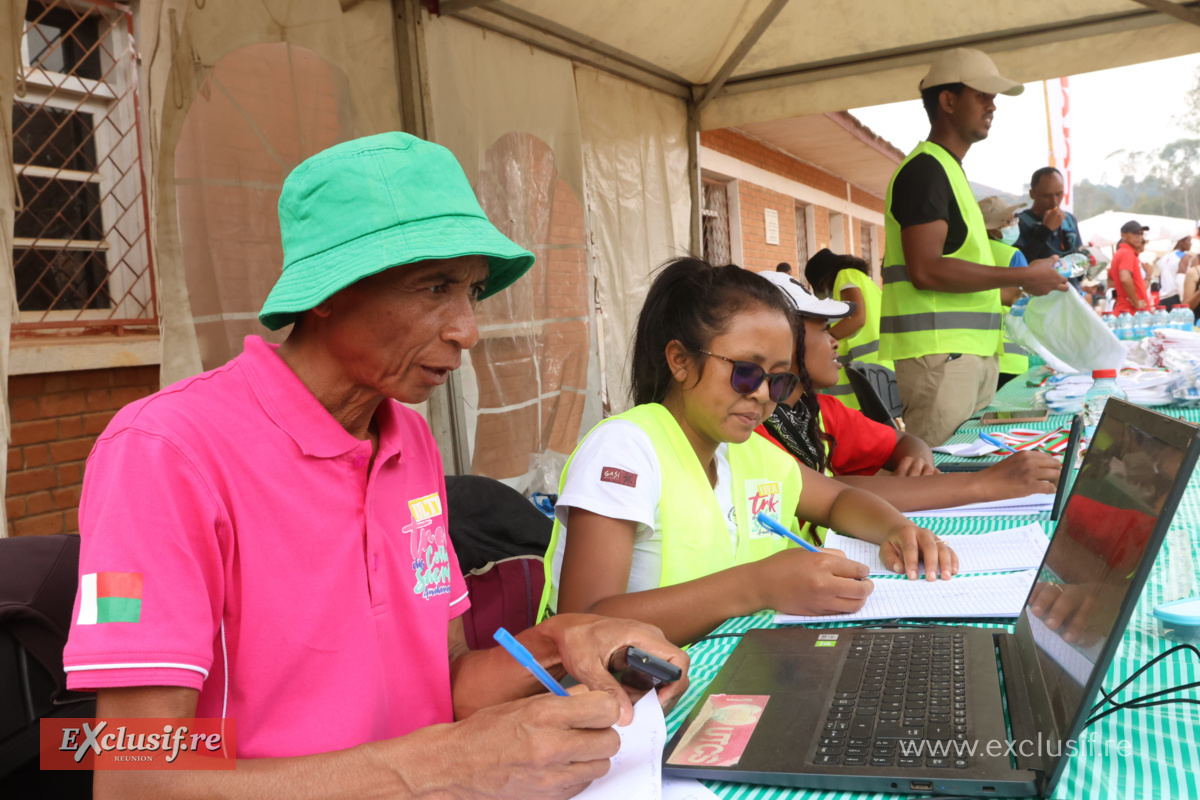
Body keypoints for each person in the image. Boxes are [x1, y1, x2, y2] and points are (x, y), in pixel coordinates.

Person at [65, 133, 690, 800]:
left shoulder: (408, 442)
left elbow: (443, 682)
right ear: (326, 292)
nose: (466, 329)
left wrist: (564, 641)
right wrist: (439, 769)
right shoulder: (161, 452)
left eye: (472, 290)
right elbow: (129, 770)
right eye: (435, 286)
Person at [539, 259, 959, 647]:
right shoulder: (625, 449)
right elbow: (584, 624)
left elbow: (837, 499)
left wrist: (896, 530)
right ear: (680, 361)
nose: (761, 395)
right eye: (745, 372)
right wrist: (758, 586)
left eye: (778, 381)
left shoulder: (743, 452)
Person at [754, 271, 1059, 519]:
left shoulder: (819, 408)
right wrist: (983, 483)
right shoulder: (751, 426)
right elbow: (825, 492)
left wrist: (918, 461)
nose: (835, 340)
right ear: (783, 340)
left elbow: (901, 441)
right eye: (823, 329)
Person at [880, 48, 1068, 447]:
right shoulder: (925, 171)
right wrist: (1023, 275)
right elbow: (926, 269)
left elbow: (960, 275)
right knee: (938, 479)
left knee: (962, 472)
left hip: (965, 358)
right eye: (981, 94)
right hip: (941, 359)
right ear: (947, 101)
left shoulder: (948, 170)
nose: (992, 104)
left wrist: (1028, 281)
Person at [804, 248, 893, 410]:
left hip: (864, 370)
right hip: (882, 367)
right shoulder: (867, 282)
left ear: (824, 279)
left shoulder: (845, 275)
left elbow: (857, 318)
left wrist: (823, 338)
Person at [979, 195, 1031, 385]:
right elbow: (1026, 302)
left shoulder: (965, 256)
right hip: (1011, 355)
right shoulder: (1012, 256)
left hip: (976, 352)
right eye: (1007, 221)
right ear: (992, 229)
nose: (1014, 224)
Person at [1015, 167, 1084, 263]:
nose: (1054, 202)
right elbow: (1018, 265)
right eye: (1047, 196)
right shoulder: (1018, 223)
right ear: (1032, 194)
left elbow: (1079, 265)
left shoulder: (1069, 220)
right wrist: (1045, 230)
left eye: (1059, 194)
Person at [1109, 220, 1152, 314]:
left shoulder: (1124, 252)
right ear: (1123, 236)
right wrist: (1136, 302)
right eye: (1135, 233)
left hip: (1127, 310)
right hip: (1130, 312)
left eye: (1141, 234)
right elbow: (1125, 278)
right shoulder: (1127, 253)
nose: (1139, 237)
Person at [1155, 235, 1192, 308]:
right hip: (1176, 298)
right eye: (1189, 241)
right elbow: (1180, 280)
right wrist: (1183, 300)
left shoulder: (1164, 258)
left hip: (1162, 299)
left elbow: (1160, 278)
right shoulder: (1184, 256)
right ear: (1181, 242)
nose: (1191, 244)